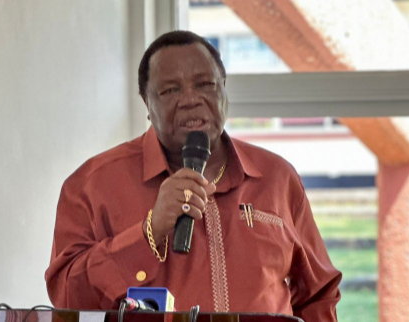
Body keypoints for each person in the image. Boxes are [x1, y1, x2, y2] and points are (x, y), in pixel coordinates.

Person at [45, 30, 341, 321]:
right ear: (147, 104)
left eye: (205, 84)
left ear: (224, 90)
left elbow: (318, 295)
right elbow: (67, 299)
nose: (191, 99)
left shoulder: (277, 178)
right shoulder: (92, 184)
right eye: (171, 90)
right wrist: (150, 231)